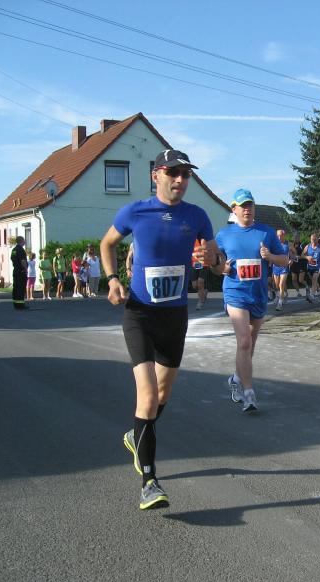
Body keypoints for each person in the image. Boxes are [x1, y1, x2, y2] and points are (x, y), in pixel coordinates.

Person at [100, 149, 218, 510]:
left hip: (174, 317)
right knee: (149, 396)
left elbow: (215, 261)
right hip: (139, 314)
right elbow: (107, 244)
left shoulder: (197, 216)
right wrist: (113, 279)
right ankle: (149, 482)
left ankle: (136, 434)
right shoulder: (135, 212)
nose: (180, 180)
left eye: (186, 174)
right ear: (157, 175)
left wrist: (211, 258)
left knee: (163, 395)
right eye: (173, 173)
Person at [214, 188, 288, 411]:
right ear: (234, 209)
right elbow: (214, 264)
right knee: (244, 341)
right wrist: (221, 268)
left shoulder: (266, 232)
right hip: (235, 293)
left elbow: (285, 260)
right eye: (243, 206)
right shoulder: (224, 234)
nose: (247, 209)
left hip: (258, 295)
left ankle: (236, 378)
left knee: (251, 343)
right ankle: (248, 393)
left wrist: (271, 256)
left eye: (250, 205)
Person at [271, 229, 293, 311]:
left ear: (284, 235)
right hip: (276, 266)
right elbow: (270, 254)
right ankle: (280, 295)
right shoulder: (273, 244)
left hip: (284, 267)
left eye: (281, 235)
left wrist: (291, 260)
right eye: (278, 236)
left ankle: (280, 303)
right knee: (276, 285)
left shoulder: (289, 244)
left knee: (281, 284)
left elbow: (294, 254)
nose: (279, 237)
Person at [302, 232, 320, 303]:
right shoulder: (307, 246)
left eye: (315, 239)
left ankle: (312, 295)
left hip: (317, 267)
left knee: (315, 279)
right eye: (312, 239)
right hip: (310, 267)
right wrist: (307, 257)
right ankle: (319, 292)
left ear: (317, 239)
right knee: (314, 281)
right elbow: (302, 255)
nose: (313, 241)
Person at [190, 238, 209, 310]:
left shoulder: (204, 238)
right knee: (195, 285)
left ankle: (200, 301)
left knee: (200, 282)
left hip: (204, 263)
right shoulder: (190, 237)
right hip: (194, 263)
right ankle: (204, 290)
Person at [10, 236, 28, 310]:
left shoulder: (14, 250)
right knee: (21, 288)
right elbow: (23, 261)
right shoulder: (21, 250)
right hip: (21, 271)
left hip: (16, 270)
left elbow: (13, 259)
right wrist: (25, 269)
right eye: (24, 240)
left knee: (16, 287)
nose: (25, 242)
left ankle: (16, 304)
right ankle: (21, 305)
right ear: (21, 241)